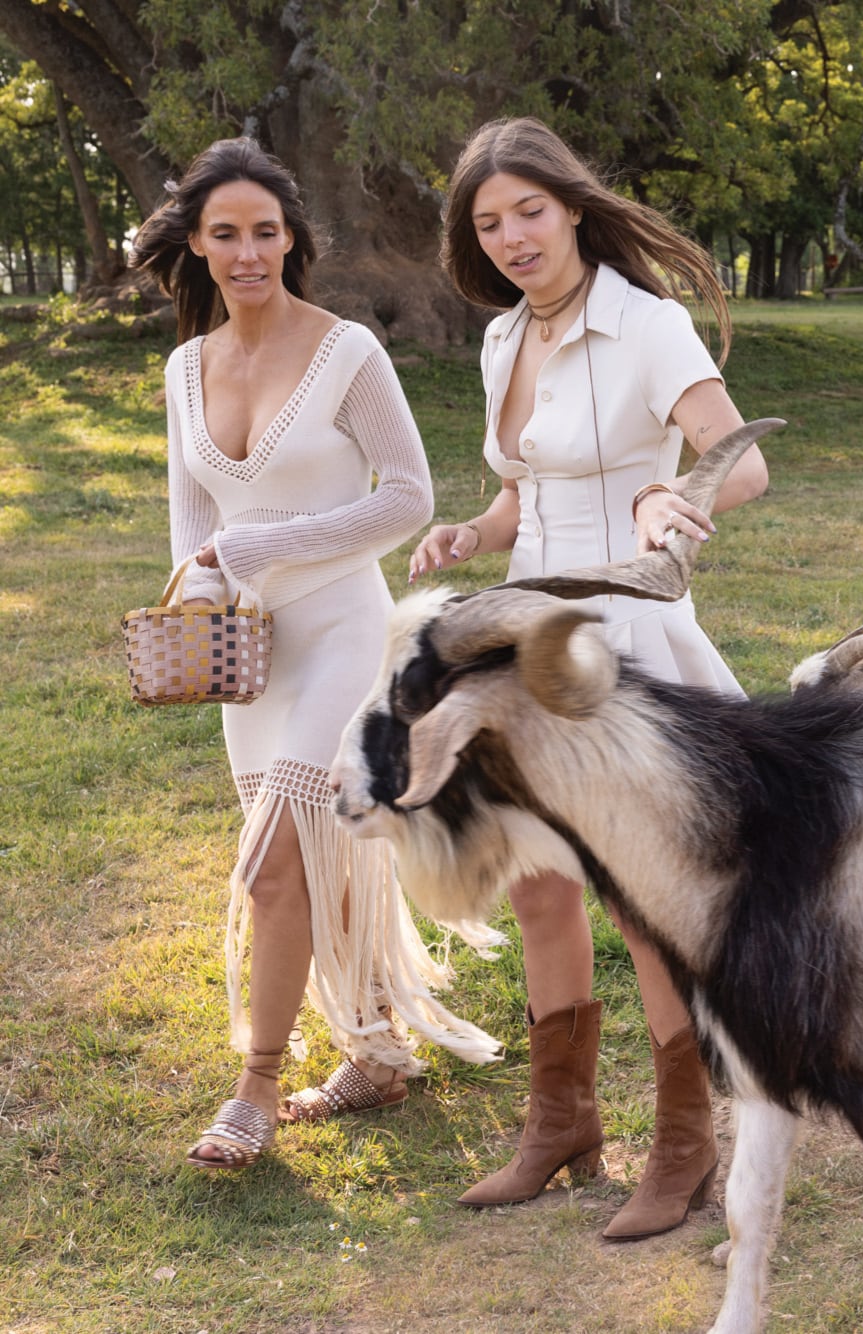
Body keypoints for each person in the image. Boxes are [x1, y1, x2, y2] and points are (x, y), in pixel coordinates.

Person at [410, 117, 768, 1241]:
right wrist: (473, 530)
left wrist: (681, 500)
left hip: (617, 633)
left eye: (528, 210)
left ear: (570, 205)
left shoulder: (646, 323)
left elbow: (739, 457)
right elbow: (527, 488)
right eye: (488, 221)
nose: (512, 236)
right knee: (532, 877)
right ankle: (560, 1122)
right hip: (518, 633)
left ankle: (684, 1140)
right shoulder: (501, 338)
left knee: (634, 893)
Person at [132, 139, 501, 1170]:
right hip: (253, 658)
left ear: (291, 238)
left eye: (264, 231)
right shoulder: (184, 365)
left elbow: (406, 496)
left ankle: (253, 1084)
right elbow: (193, 517)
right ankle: (379, 1047)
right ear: (198, 247)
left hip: (342, 629)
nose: (247, 252)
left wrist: (261, 546)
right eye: (225, 235)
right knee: (318, 858)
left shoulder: (347, 352)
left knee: (271, 861)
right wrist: (205, 592)